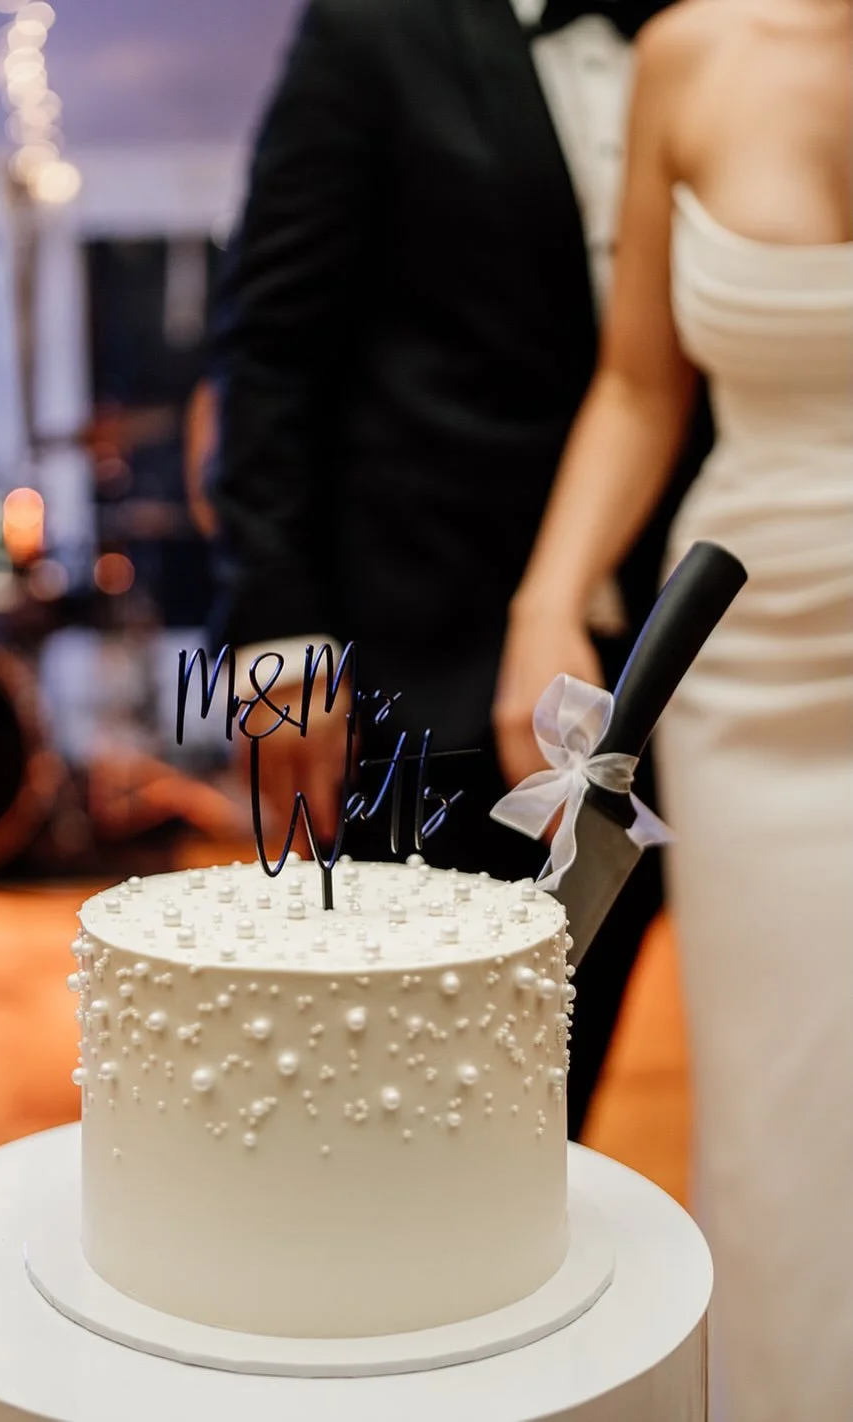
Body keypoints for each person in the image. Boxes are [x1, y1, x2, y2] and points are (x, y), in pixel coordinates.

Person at [211, 0, 709, 1140]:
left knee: (563, 1108)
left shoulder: (729, 30)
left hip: (701, 657)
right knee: (407, 1100)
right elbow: (273, 346)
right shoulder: (372, 27)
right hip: (432, 655)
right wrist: (278, 626)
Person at [494, 2, 853, 1417]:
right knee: (777, 1126)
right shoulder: (690, 49)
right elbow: (640, 380)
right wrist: (548, 593)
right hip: (753, 668)